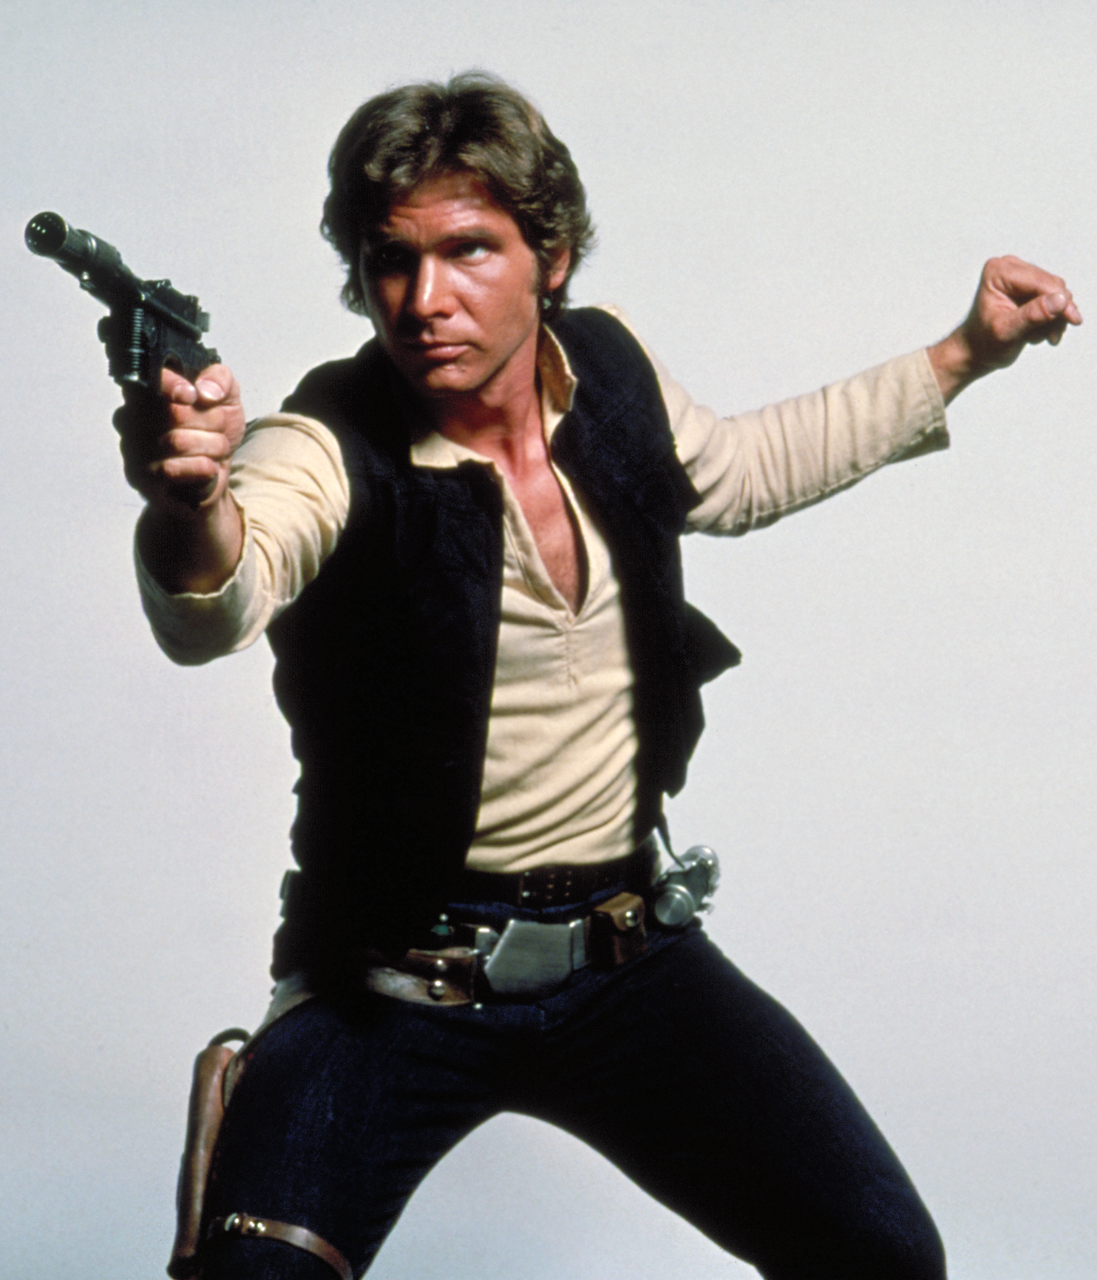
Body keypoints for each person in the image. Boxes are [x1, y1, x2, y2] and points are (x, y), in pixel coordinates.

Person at [121, 73, 1080, 1280]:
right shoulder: (322, 442)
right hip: (391, 987)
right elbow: (220, 597)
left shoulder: (609, 372)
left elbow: (737, 469)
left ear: (551, 256)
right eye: (391, 261)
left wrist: (961, 354)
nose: (425, 300)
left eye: (469, 249)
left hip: (627, 963)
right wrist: (190, 501)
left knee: (882, 1254)